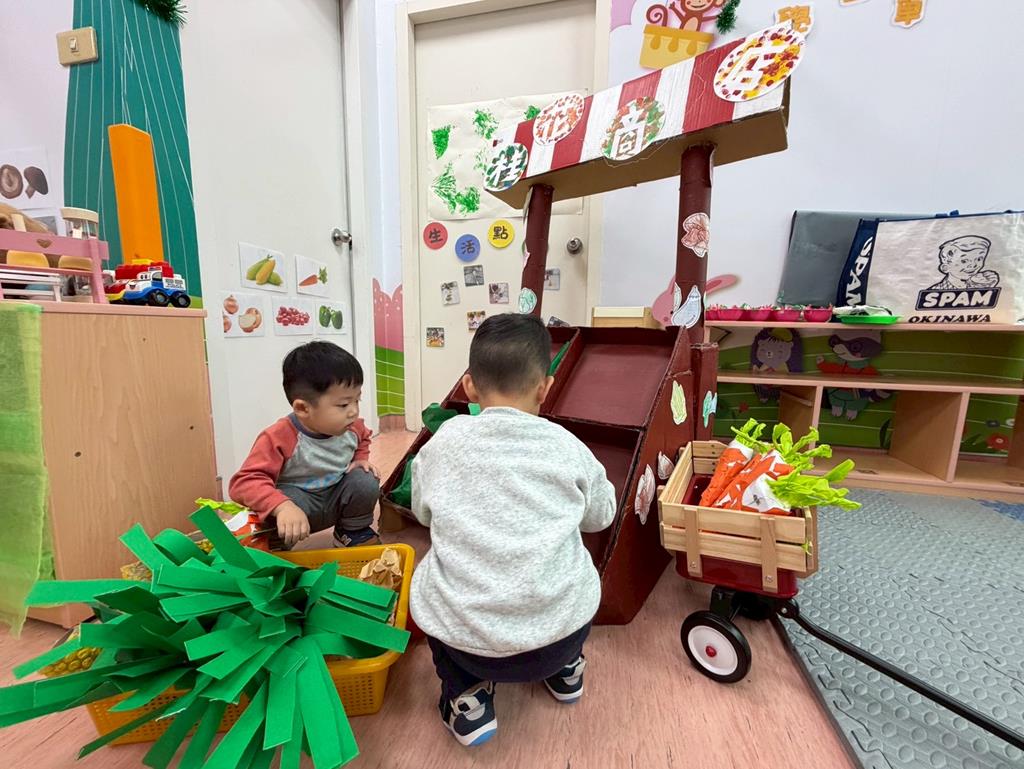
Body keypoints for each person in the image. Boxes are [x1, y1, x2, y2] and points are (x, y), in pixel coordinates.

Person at [410, 314, 617, 747]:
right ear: (545, 387)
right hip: (560, 636)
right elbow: (601, 517)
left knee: (428, 577)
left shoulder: (443, 442)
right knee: (577, 568)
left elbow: (423, 514)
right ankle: (566, 672)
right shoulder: (568, 446)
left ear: (469, 386)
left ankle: (467, 700)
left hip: (467, 644)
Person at [229, 341, 380, 549]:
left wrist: (361, 458)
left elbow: (364, 436)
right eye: (344, 404)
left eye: (357, 400)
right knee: (278, 502)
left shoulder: (352, 427)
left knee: (365, 478)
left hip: (335, 498)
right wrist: (282, 506)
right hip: (295, 510)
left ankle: (352, 531)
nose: (354, 411)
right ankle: (276, 544)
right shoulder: (279, 437)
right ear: (302, 408)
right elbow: (244, 482)